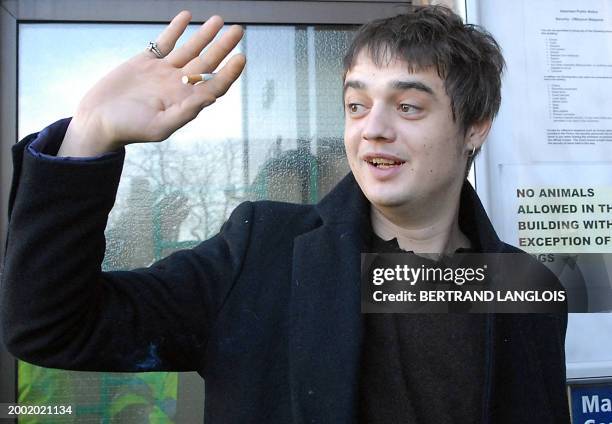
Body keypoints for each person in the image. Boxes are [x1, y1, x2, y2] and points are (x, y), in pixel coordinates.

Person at [1, 6, 570, 423]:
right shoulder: (260, 253)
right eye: (356, 104)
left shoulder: (525, 287)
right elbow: (49, 326)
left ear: (475, 127)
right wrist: (90, 135)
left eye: (408, 106)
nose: (373, 126)